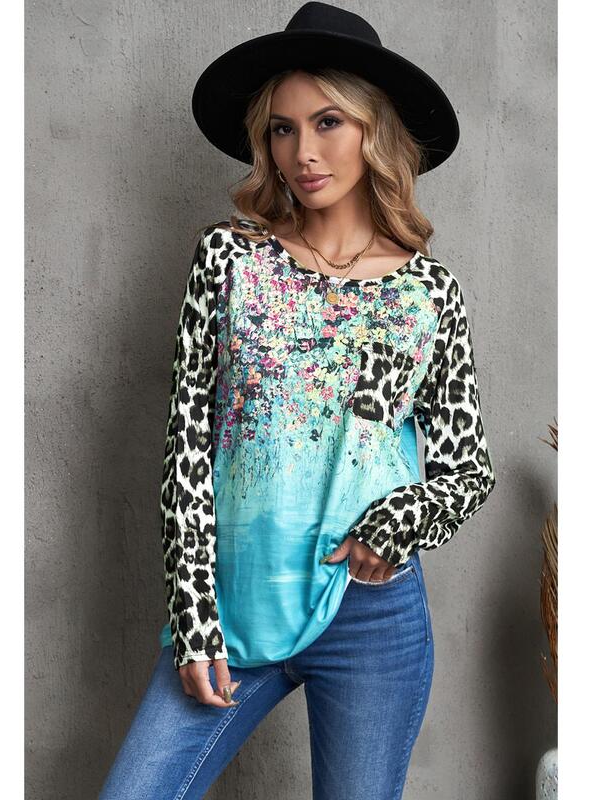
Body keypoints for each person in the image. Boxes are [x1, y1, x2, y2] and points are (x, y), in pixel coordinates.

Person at [98, 3, 496, 799]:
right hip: (236, 605)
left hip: (373, 615)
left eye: (328, 122)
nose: (303, 153)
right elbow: (186, 444)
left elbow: (467, 470)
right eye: (283, 129)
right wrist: (195, 616)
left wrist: (397, 519)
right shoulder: (229, 260)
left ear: (374, 131)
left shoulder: (428, 293)